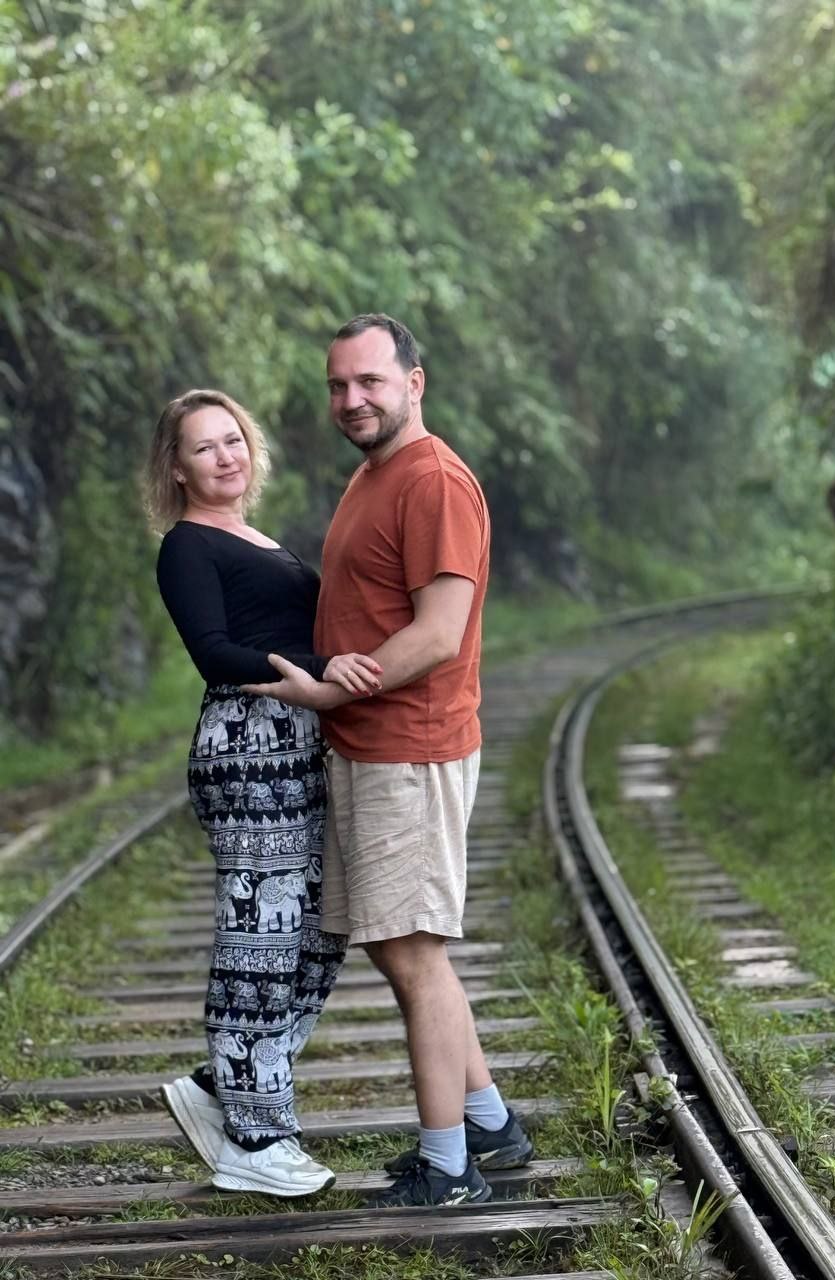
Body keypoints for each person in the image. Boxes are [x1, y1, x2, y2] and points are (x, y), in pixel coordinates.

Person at [243, 314, 534, 1207]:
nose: (352, 399)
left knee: (415, 956)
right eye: (338, 385)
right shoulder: (375, 473)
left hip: (409, 746)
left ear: (414, 381)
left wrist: (332, 693)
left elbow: (440, 633)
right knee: (400, 947)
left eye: (369, 381)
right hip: (371, 744)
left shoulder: (434, 481)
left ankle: (449, 1168)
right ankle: (488, 1123)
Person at [144, 388, 382, 1197]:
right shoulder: (187, 546)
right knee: (262, 937)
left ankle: (225, 1084)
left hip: (300, 742)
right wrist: (321, 671)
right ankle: (255, 1138)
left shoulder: (259, 540)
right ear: (177, 468)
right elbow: (215, 654)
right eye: (204, 446)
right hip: (249, 748)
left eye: (234, 439)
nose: (225, 455)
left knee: (319, 932)